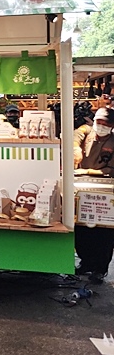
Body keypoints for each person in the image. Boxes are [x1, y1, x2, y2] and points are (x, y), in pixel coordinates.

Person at [73, 107, 114, 283]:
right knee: (81, 229)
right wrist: (75, 149)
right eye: (99, 122)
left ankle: (100, 269)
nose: (102, 126)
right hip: (82, 189)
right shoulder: (87, 132)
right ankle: (86, 263)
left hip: (106, 191)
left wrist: (88, 170)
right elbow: (76, 133)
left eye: (107, 124)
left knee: (103, 234)